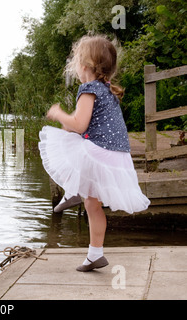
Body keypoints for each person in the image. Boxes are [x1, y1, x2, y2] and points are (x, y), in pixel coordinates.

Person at [38, 35, 150, 272]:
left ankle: (73, 191)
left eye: (77, 63)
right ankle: (95, 255)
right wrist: (68, 124)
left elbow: (78, 125)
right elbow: (81, 126)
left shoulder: (88, 89)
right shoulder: (107, 90)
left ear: (85, 67)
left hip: (99, 152)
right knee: (93, 204)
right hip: (117, 156)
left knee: (65, 144)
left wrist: (58, 114)